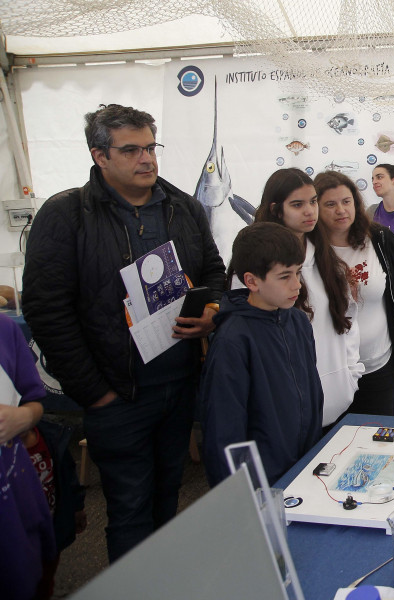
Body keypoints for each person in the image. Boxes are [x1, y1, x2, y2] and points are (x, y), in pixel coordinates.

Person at [22, 104, 226, 563]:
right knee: (131, 512)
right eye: (131, 150)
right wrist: (95, 394)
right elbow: (45, 310)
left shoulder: (183, 206)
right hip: (118, 396)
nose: (147, 159)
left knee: (168, 500)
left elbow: (214, 272)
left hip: (178, 385)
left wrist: (211, 312)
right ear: (100, 155)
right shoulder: (66, 214)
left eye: (151, 147)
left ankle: (162, 584)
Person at [200, 222, 324, 486]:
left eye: (298, 273)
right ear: (252, 281)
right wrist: (242, 494)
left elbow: (311, 392)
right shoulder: (233, 340)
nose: (297, 285)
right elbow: (224, 430)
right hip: (262, 479)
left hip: (303, 466)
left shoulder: (298, 322)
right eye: (284, 276)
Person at [255, 168, 364, 427]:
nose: (309, 211)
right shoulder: (256, 265)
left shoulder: (327, 261)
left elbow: (347, 320)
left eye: (313, 201)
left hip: (334, 403)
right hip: (287, 414)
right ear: (275, 209)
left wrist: (350, 374)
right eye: (297, 204)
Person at [314, 171, 394, 416]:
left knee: (376, 441)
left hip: (377, 366)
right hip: (330, 372)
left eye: (346, 201)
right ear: (315, 208)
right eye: (330, 204)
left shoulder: (379, 239)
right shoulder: (309, 251)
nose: (341, 210)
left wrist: (393, 314)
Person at [0, 312, 57, 600]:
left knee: (26, 576)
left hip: (13, 499)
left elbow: (34, 401)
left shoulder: (5, 329)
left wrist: (22, 417)